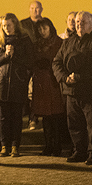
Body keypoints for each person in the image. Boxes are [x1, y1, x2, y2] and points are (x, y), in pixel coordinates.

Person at [53, 11, 92, 164]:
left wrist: (79, 77)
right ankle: (79, 151)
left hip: (90, 91)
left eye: (83, 22)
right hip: (71, 91)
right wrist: (64, 77)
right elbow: (56, 62)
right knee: (74, 124)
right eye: (77, 22)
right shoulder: (68, 42)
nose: (79, 25)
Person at [0, 13, 34, 157]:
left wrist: (15, 55)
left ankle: (15, 146)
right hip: (1, 84)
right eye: (4, 26)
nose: (6, 28)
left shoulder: (24, 40)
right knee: (2, 117)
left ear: (15, 25)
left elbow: (31, 60)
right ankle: (4, 145)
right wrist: (4, 56)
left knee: (16, 117)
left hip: (18, 83)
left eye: (9, 25)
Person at [31, 18, 67, 156]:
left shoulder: (59, 42)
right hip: (41, 82)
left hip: (54, 82)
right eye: (39, 29)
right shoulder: (37, 44)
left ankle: (57, 145)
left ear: (50, 28)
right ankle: (48, 145)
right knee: (45, 117)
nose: (42, 31)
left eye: (44, 28)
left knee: (56, 116)